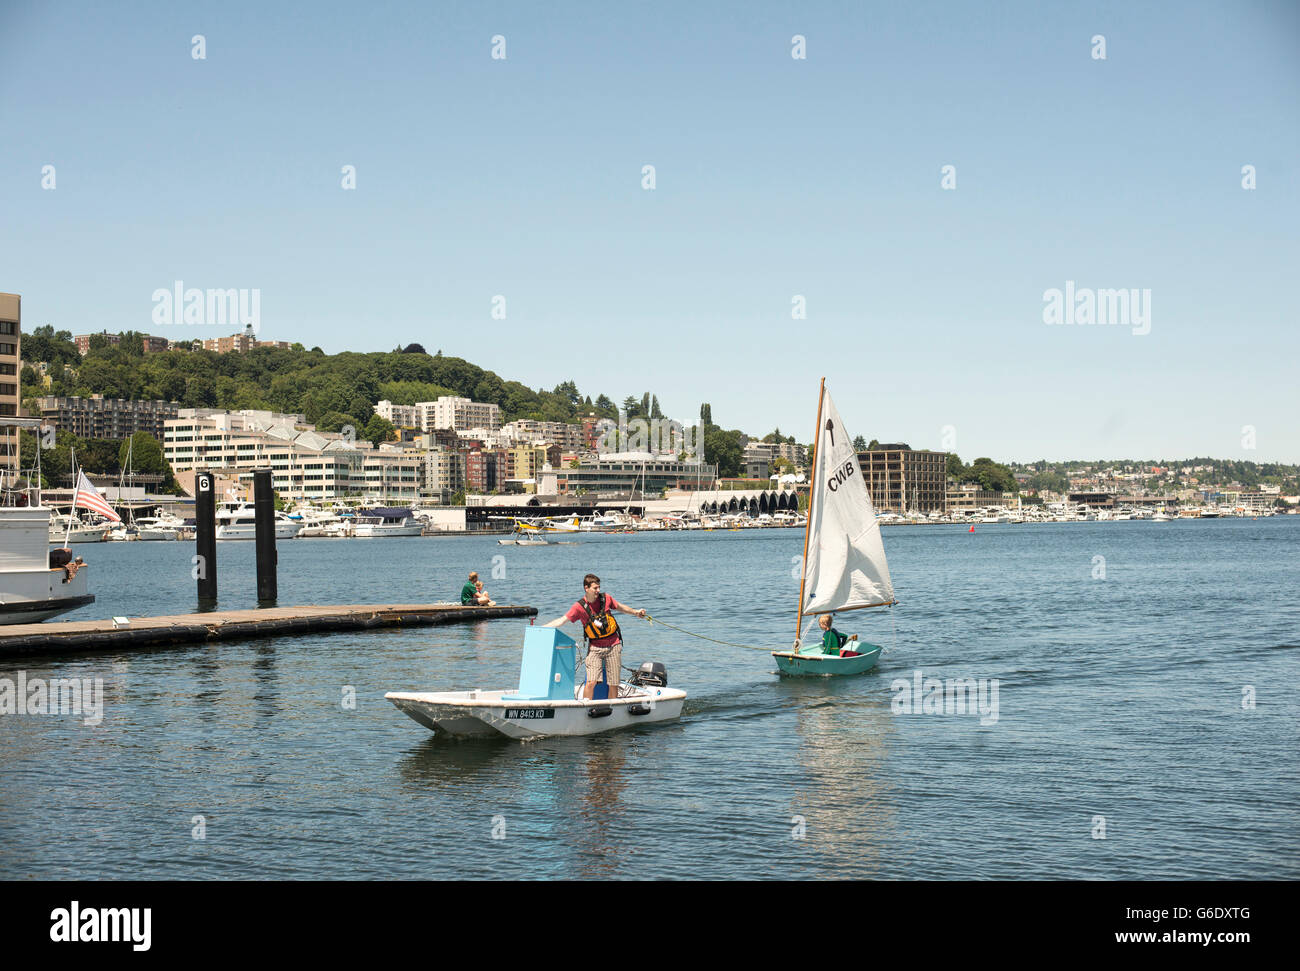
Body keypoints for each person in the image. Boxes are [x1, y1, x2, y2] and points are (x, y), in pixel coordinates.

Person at [545, 573, 646, 700]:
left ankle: (612, 708)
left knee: (613, 684)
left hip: (614, 645)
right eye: (595, 588)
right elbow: (562, 620)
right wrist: (542, 628)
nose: (598, 590)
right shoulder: (579, 607)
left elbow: (620, 607)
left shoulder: (606, 598)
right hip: (595, 648)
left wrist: (636, 612)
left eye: (599, 587)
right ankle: (586, 708)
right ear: (586, 588)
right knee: (591, 682)